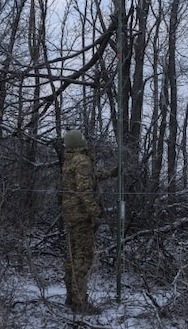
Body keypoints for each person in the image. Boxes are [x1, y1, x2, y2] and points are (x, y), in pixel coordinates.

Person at [61, 129, 114, 313]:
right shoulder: (81, 160)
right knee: (83, 258)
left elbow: (90, 175)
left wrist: (110, 173)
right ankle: (80, 302)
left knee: (72, 257)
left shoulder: (70, 160)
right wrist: (95, 212)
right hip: (82, 217)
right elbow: (85, 189)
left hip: (71, 216)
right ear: (80, 143)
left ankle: (70, 297)